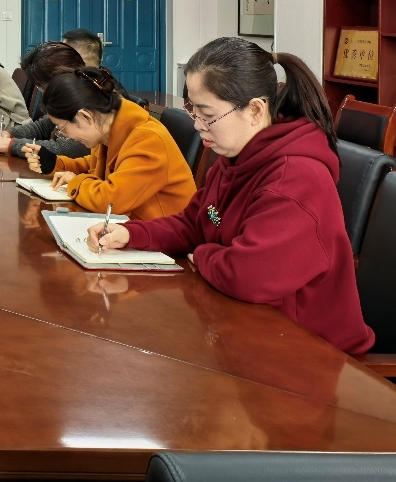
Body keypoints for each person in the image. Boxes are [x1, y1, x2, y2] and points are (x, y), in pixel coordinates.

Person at [87, 38, 374, 354]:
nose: (198, 125)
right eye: (193, 111)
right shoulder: (235, 157)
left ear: (255, 110)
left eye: (207, 114)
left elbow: (248, 275)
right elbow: (195, 223)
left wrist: (203, 255)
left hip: (306, 351)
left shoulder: (295, 180)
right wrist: (131, 234)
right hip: (244, 328)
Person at [26, 66, 194, 221]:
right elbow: (92, 165)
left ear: (85, 117)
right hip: (131, 227)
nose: (66, 136)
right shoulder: (107, 129)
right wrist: (55, 164)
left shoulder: (148, 140)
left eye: (63, 129)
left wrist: (75, 182)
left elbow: (111, 201)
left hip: (165, 237)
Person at [0, 41, 89, 159]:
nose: (43, 93)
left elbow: (68, 149)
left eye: (43, 87)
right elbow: (43, 127)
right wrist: (10, 134)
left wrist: (12, 145)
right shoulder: (67, 96)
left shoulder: (88, 101)